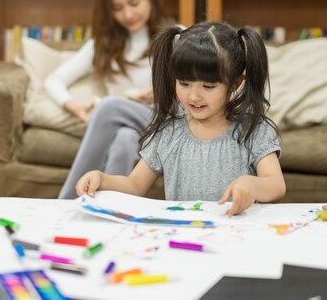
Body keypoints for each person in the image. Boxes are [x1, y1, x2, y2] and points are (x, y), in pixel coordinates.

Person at [75, 22, 286, 216]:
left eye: (208, 86)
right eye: (184, 83)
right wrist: (102, 179)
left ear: (235, 83)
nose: (194, 96)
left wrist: (252, 185)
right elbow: (135, 184)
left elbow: (276, 186)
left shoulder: (254, 130)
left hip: (236, 235)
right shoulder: (169, 132)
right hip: (182, 235)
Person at [45, 0, 173, 199]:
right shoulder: (102, 45)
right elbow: (54, 80)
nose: (128, 14)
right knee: (125, 139)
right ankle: (109, 209)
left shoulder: (175, 36)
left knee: (109, 105)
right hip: (125, 126)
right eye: (117, 8)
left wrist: (164, 93)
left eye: (134, 3)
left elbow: (199, 85)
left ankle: (67, 202)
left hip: (162, 120)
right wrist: (74, 107)